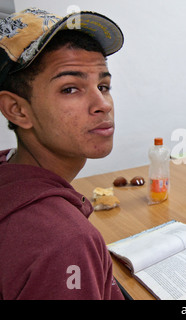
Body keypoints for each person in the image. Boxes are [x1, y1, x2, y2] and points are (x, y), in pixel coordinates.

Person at [0, 8, 125, 299]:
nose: (103, 104)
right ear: (18, 110)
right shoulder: (66, 241)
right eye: (70, 88)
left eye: (103, 86)